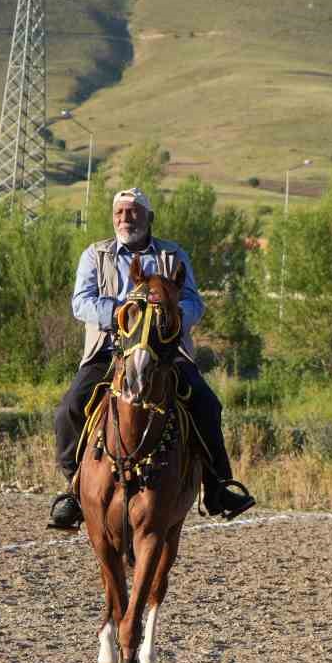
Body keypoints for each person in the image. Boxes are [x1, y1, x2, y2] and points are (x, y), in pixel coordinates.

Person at [48, 187, 255, 530]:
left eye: (133, 212)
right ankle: (73, 490)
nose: (125, 219)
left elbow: (194, 302)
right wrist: (126, 314)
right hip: (110, 349)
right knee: (69, 409)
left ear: (148, 217)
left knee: (207, 404)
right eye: (119, 212)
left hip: (165, 352)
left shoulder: (173, 256)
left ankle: (218, 487)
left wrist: (167, 317)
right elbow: (81, 302)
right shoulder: (95, 254)